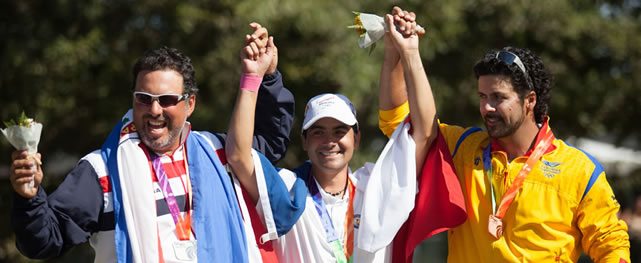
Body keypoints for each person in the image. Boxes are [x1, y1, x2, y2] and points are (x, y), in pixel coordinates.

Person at [10, 24, 299, 263]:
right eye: (144, 99)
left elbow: (270, 144)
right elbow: (44, 242)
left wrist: (268, 76)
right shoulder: (102, 171)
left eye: (168, 100)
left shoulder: (219, 152)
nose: (155, 110)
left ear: (191, 104)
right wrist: (28, 198)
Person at [225, 9, 466, 263]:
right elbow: (239, 156)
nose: (330, 141)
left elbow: (424, 133)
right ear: (305, 141)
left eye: (340, 131)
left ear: (357, 139)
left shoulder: (374, 186)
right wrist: (252, 78)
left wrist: (407, 53)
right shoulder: (287, 189)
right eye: (318, 132)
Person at [378, 25, 631, 262]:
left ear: (529, 100)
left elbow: (611, 244)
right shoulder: (462, 148)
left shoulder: (579, 170)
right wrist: (396, 53)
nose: (487, 107)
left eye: (498, 97)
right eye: (482, 96)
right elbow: (398, 126)